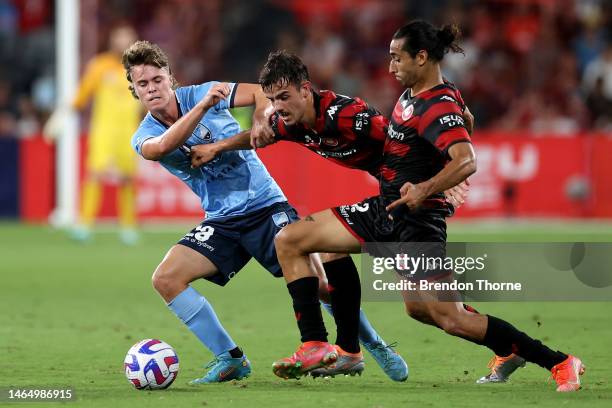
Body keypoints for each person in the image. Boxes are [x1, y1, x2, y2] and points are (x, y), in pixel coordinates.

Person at [269, 21, 585, 392]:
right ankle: (328, 347)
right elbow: (463, 121)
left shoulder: (436, 103)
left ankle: (560, 362)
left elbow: (466, 160)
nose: (390, 67)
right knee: (297, 240)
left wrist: (427, 188)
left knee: (450, 318)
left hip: (416, 221)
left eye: (396, 58)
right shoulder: (420, 93)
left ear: (421, 57)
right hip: (388, 208)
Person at [122, 40, 404, 384]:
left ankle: (372, 344)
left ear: (170, 77)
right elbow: (162, 147)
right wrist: (202, 109)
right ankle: (230, 358)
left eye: (157, 80)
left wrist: (259, 119)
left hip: (264, 205)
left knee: (321, 286)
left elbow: (262, 93)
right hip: (221, 220)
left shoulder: (203, 92)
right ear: (134, 90)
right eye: (143, 84)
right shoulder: (146, 133)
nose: (152, 89)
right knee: (166, 279)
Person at [190, 50, 470, 380]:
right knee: (331, 250)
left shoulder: (349, 115)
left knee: (428, 305)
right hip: (393, 196)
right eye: (271, 100)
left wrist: (442, 175)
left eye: (283, 97)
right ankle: (346, 350)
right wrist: (216, 147)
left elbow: (403, 136)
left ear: (305, 90)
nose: (277, 107)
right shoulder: (292, 121)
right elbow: (258, 137)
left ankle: (503, 343)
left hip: (409, 197)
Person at [45, 24, 142, 244]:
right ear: (112, 41)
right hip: (104, 130)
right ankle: (85, 225)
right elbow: (82, 96)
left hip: (130, 131)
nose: (124, 43)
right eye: (120, 38)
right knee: (95, 174)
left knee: (128, 179)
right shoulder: (100, 66)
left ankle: (129, 228)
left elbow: (150, 101)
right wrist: (59, 118)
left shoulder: (142, 69)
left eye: (128, 39)